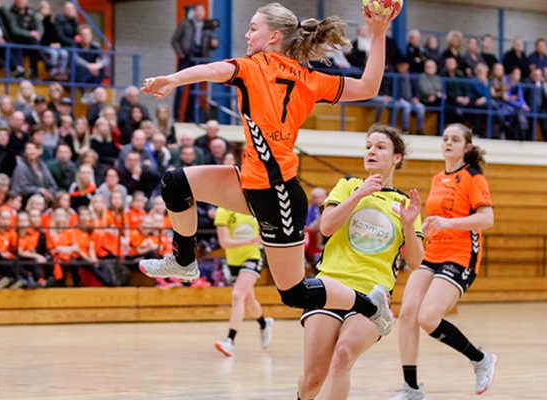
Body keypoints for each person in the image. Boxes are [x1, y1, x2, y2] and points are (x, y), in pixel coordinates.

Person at [139, 2, 401, 336]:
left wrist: (172, 80)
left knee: (295, 293)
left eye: (253, 28)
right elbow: (368, 87)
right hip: (250, 181)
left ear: (274, 36)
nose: (247, 35)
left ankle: (371, 305)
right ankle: (184, 261)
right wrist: (378, 35)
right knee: (176, 184)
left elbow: (212, 70)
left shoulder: (255, 68)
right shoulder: (308, 78)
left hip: (279, 196)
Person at [299, 124, 423, 400]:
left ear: (397, 157)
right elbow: (326, 227)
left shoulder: (404, 203)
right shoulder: (349, 185)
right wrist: (359, 195)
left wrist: (408, 223)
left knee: (343, 356)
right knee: (312, 379)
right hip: (330, 286)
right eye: (368, 146)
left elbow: (416, 262)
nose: (371, 151)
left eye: (380, 147)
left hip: (372, 296)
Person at [392, 124, 497, 400]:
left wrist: (449, 223)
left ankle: (480, 359)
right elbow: (439, 217)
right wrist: (427, 226)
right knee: (407, 314)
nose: (448, 142)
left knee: (428, 317)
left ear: (467, 147)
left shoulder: (473, 177)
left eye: (455, 139)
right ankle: (411, 389)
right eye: (445, 138)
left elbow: (487, 219)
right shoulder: (438, 178)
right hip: (433, 252)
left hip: (461, 255)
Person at [212, 157, 273, 357]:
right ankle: (264, 323)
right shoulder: (223, 211)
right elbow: (224, 243)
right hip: (234, 261)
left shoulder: (255, 207)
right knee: (249, 300)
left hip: (252, 257)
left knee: (237, 295)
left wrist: (262, 239)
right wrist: (250, 240)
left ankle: (230, 341)